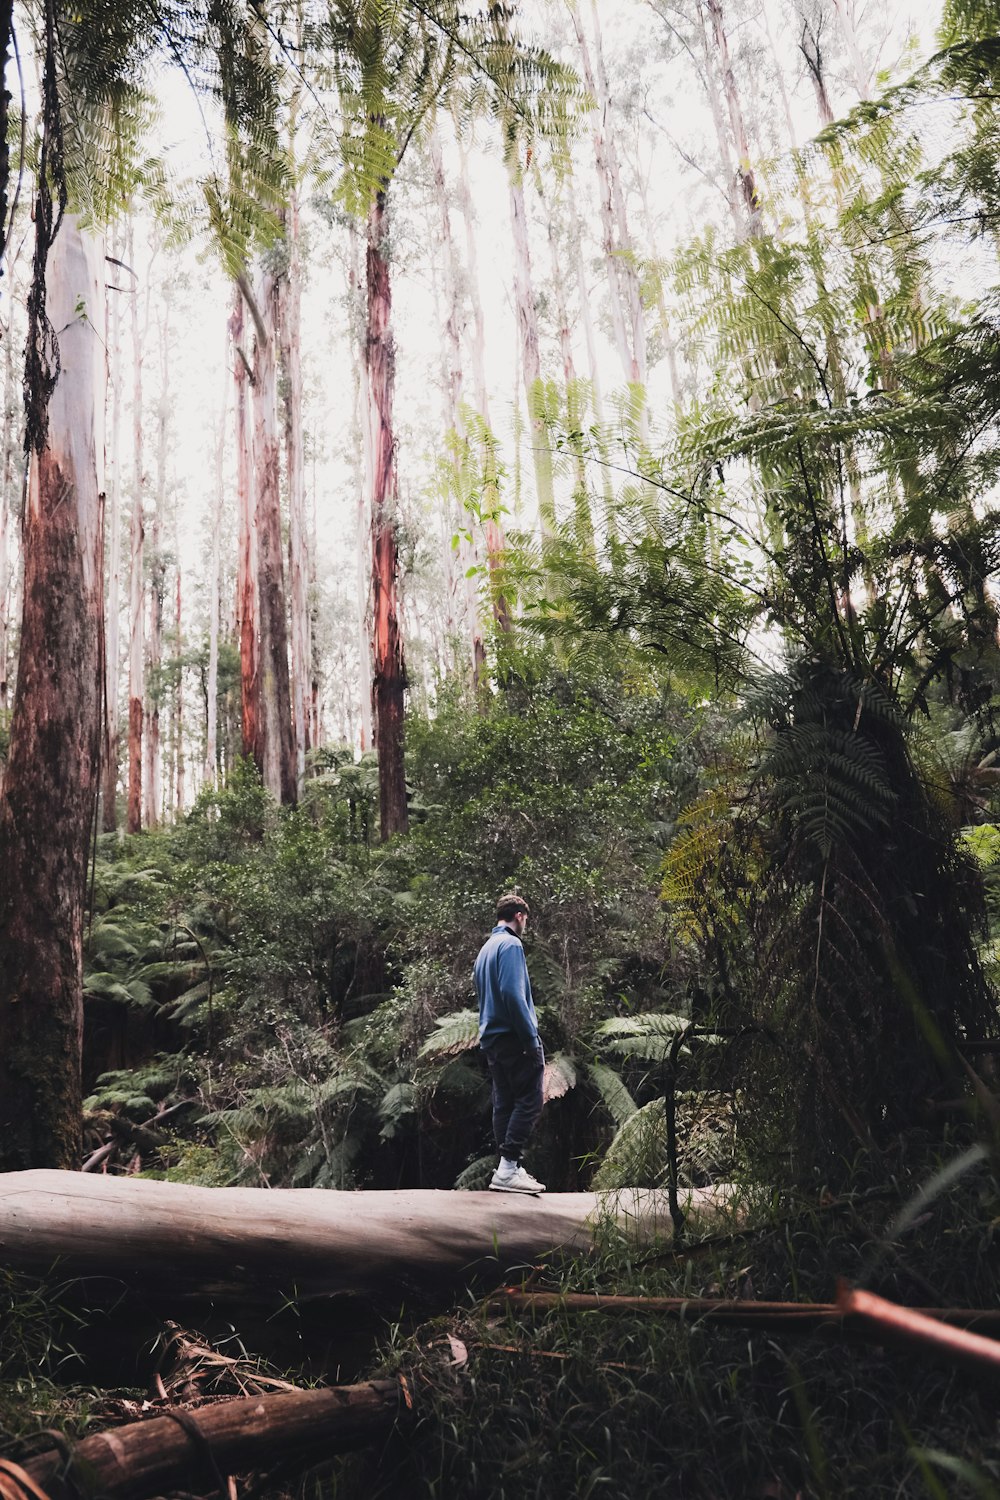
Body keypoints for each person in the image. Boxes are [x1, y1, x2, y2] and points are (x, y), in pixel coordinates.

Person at [473, 892, 546, 1195]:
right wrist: (530, 1039)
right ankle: (506, 1170)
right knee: (531, 1099)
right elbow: (513, 994)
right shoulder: (511, 945)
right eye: (526, 919)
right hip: (514, 1036)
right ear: (519, 916)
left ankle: (509, 1169)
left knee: (504, 1102)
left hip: (491, 1038)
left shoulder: (486, 949)